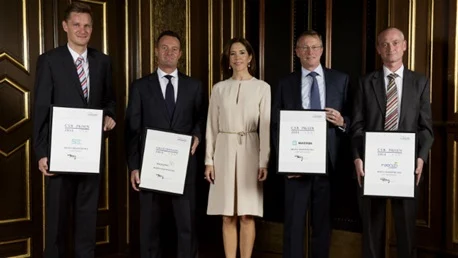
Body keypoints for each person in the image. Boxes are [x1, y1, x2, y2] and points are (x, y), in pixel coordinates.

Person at [32, 2, 116, 257]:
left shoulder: (102, 61)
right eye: (77, 24)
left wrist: (110, 115)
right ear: (65, 26)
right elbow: (41, 108)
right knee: (57, 217)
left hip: (90, 154)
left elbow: (109, 100)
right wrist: (41, 152)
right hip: (59, 154)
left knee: (87, 216)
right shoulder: (49, 60)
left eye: (87, 25)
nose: (82, 29)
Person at [351, 27, 434, 258]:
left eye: (396, 43)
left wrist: (421, 157)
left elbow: (426, 128)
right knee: (371, 232)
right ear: (378, 49)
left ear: (404, 45)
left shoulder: (420, 82)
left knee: (407, 233)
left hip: (407, 168)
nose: (391, 48)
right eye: (385, 44)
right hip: (370, 168)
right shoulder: (365, 82)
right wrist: (357, 157)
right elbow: (356, 126)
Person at [125, 30, 205, 258]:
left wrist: (197, 135)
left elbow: (201, 118)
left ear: (180, 53)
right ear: (156, 51)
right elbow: (132, 128)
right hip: (150, 166)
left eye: (174, 49)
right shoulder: (140, 86)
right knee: (149, 225)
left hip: (184, 165)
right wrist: (134, 166)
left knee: (186, 224)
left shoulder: (194, 86)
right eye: (164, 48)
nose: (169, 52)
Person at [271, 30, 351, 258]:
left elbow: (354, 119)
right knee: (294, 225)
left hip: (327, 164)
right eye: (304, 47)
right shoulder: (285, 83)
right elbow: (276, 125)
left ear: (322, 50)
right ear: (297, 52)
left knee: (322, 225)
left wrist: (342, 121)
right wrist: (285, 164)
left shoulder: (340, 79)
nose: (310, 52)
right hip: (296, 166)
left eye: (315, 47)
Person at [204, 38, 270, 258]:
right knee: (227, 215)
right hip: (223, 149)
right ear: (228, 59)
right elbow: (211, 126)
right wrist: (208, 161)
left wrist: (264, 161)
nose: (238, 57)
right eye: (233, 53)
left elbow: (267, 128)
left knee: (247, 214)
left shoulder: (262, 88)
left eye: (242, 53)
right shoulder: (219, 88)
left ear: (250, 57)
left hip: (250, 150)